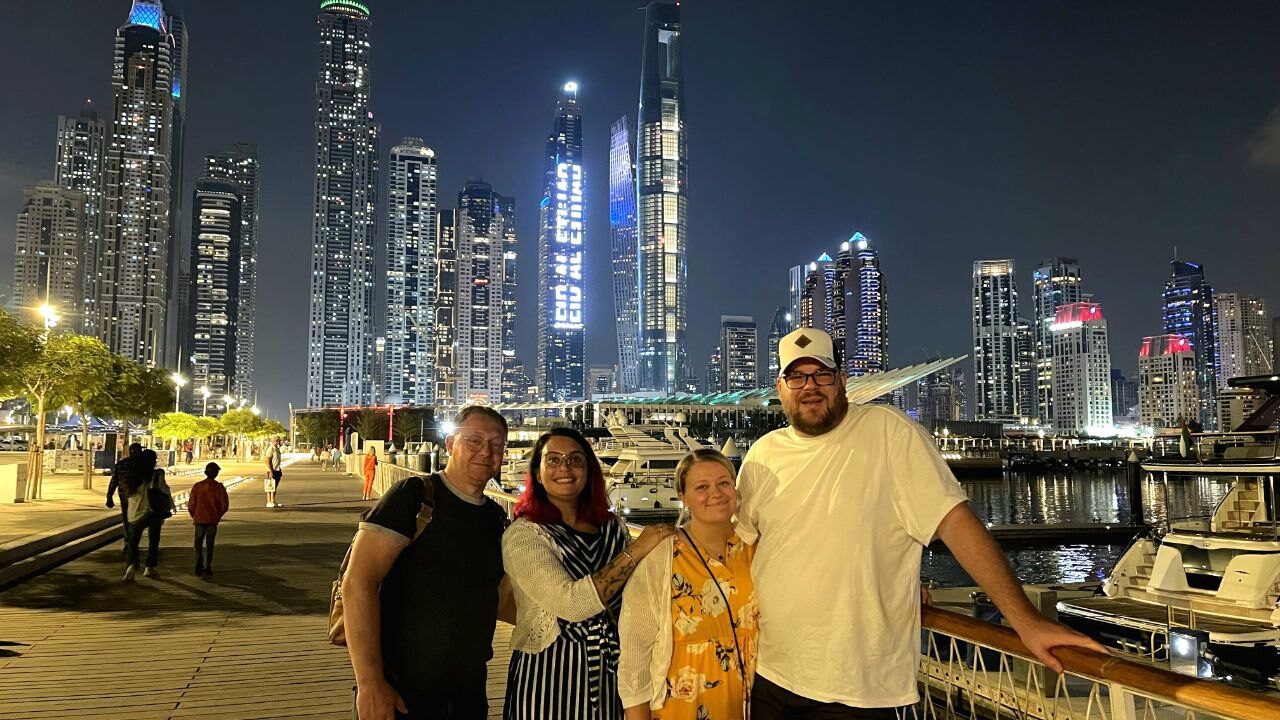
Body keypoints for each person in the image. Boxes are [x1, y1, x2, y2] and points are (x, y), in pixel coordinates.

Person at [737, 329, 1105, 719]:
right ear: (780, 387)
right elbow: (741, 546)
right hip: (769, 670)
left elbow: (954, 522)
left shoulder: (888, 432)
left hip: (856, 687)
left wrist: (1025, 621)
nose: (809, 387)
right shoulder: (764, 453)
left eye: (822, 375)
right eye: (796, 377)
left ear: (843, 380)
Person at [343, 406, 512, 719]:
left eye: (497, 445)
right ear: (450, 444)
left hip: (467, 692)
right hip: (400, 689)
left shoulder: (495, 518)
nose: (486, 452)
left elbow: (498, 598)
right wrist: (370, 683)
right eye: (474, 441)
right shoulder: (416, 497)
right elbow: (358, 583)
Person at [502, 428, 675, 720]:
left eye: (575, 459)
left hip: (612, 667)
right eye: (553, 460)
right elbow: (571, 605)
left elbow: (638, 595)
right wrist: (638, 549)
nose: (565, 468)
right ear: (538, 472)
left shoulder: (612, 527)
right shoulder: (525, 535)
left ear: (589, 469)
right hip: (549, 673)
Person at [620, 449, 757, 720]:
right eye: (702, 487)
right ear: (683, 497)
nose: (716, 493)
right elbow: (635, 651)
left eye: (723, 483)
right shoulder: (663, 558)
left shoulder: (755, 548)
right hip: (684, 704)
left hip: (757, 700)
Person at [123, 449, 175, 580]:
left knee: (133, 541)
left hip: (135, 512)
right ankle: (149, 567)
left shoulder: (132, 475)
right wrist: (170, 503)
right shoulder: (157, 474)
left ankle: (131, 566)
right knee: (154, 540)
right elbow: (164, 489)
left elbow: (127, 493)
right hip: (152, 511)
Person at [188, 461, 230, 577]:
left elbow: (191, 504)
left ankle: (198, 562)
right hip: (212, 519)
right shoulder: (219, 487)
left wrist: (194, 515)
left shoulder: (197, 486)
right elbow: (224, 505)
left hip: (199, 518)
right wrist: (218, 515)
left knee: (198, 542)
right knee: (210, 543)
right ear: (216, 474)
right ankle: (207, 565)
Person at [106, 443, 143, 555]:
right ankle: (133, 543)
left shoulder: (121, 464)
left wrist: (109, 496)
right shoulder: (142, 464)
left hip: (124, 496)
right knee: (138, 520)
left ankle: (129, 542)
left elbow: (114, 481)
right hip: (138, 497)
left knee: (127, 519)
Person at [265, 437, 283, 508]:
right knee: (270, 486)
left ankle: (273, 501)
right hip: (272, 470)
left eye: (279, 441)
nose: (279, 442)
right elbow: (267, 461)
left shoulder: (277, 449)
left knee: (274, 486)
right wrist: (270, 471)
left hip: (277, 470)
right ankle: (268, 501)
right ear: (273, 441)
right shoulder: (271, 448)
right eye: (277, 441)